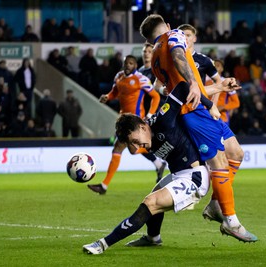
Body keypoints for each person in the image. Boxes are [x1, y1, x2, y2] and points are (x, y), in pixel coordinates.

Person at [139, 15, 257, 242]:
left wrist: (219, 87)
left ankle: (215, 205)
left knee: (236, 153)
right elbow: (185, 73)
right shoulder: (174, 36)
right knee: (219, 163)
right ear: (168, 26)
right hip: (193, 112)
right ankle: (231, 222)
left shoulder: (154, 59)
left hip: (199, 106)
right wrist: (197, 87)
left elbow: (187, 87)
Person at [83, 81, 212, 255]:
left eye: (135, 141)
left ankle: (102, 244)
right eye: (132, 144)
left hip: (195, 177)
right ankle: (153, 238)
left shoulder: (163, 120)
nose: (136, 148)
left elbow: (182, 86)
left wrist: (210, 105)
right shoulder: (145, 134)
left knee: (150, 203)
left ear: (143, 127)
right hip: (178, 174)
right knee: (153, 196)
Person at [87, 55, 166, 195]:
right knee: (128, 149)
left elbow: (156, 96)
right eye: (126, 63)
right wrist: (108, 97)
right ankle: (158, 163)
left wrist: (149, 115)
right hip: (123, 120)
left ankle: (104, 186)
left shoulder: (141, 79)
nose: (128, 65)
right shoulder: (118, 76)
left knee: (121, 148)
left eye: (130, 63)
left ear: (135, 65)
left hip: (136, 120)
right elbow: (115, 92)